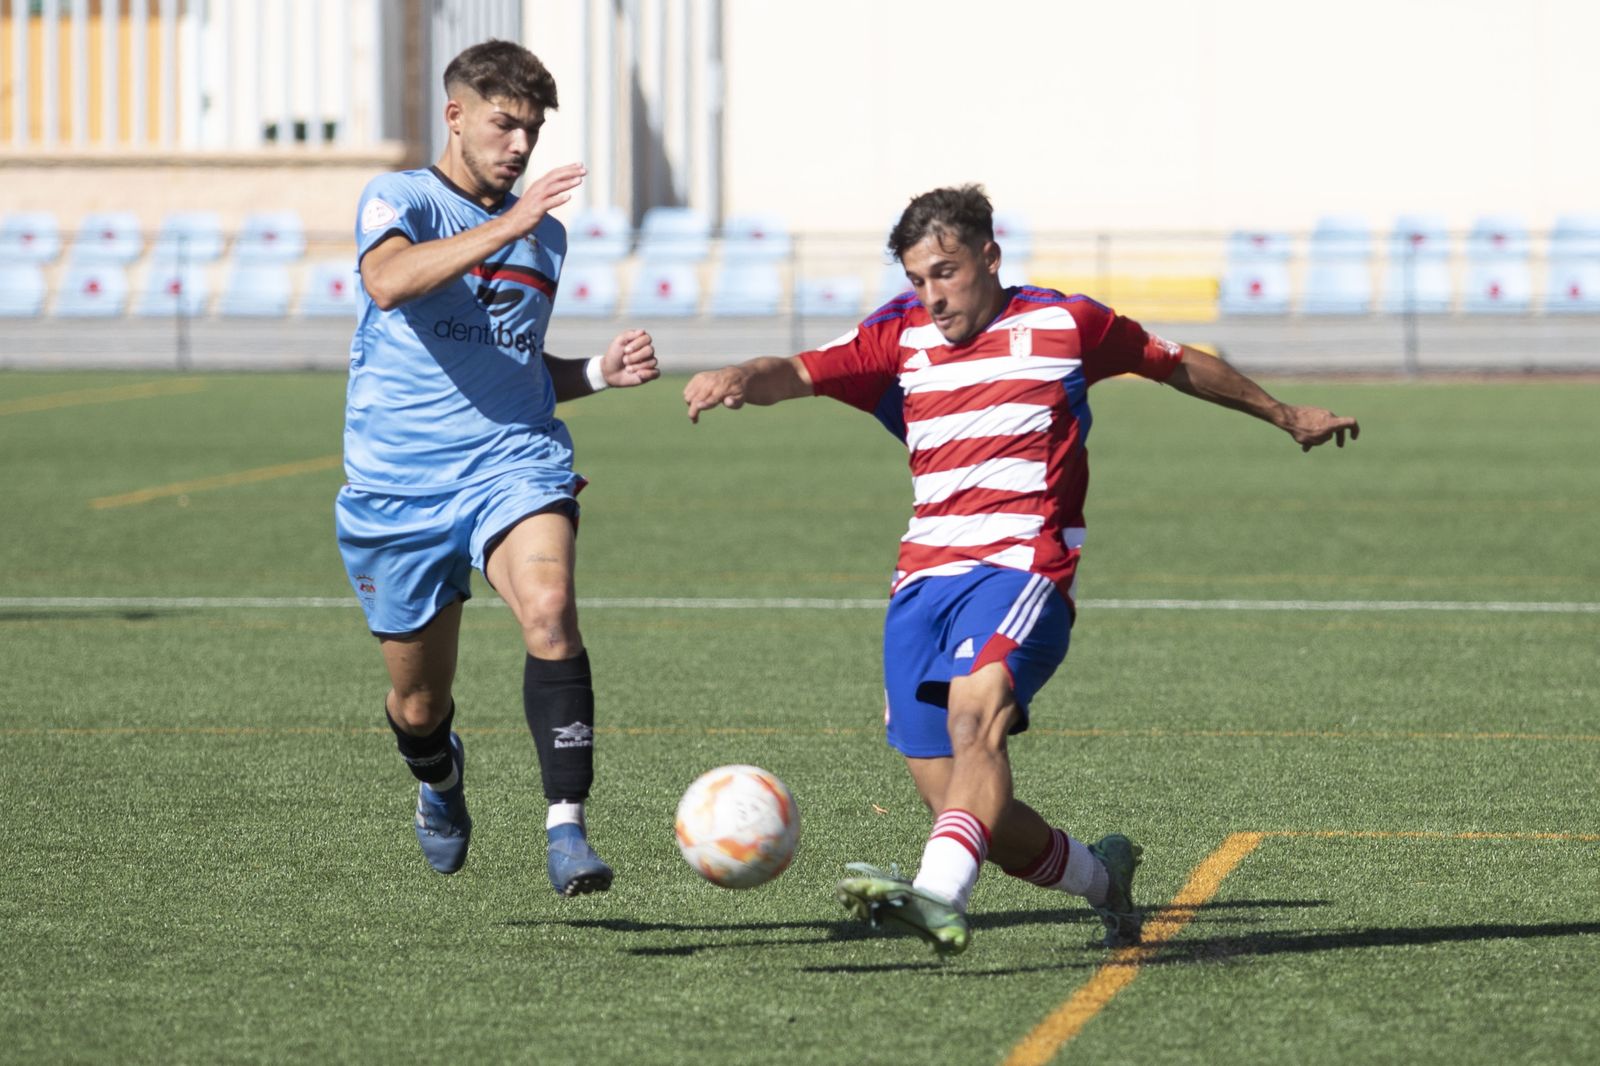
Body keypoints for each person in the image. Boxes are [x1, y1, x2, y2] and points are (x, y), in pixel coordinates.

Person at [683, 185, 1358, 955]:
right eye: (918, 280)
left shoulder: (1067, 324)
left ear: (989, 256)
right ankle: (1106, 883)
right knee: (970, 810)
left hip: (1021, 567)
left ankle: (937, 897)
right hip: (922, 583)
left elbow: (1174, 363)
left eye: (946, 272)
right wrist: (740, 374)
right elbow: (798, 371)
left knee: (978, 720)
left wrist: (1285, 415)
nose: (933, 296)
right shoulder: (897, 338)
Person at [335, 39, 658, 895]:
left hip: (514, 465)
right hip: (397, 487)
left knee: (550, 609)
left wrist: (594, 374)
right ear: (455, 115)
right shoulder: (398, 197)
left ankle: (567, 831)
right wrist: (510, 223)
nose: (520, 146)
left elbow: (513, 362)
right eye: (503, 124)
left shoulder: (543, 236)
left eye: (532, 130)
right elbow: (391, 282)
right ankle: (440, 781)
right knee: (417, 706)